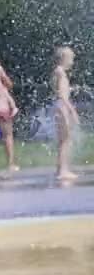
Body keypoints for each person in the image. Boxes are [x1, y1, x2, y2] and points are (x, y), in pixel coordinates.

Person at [52, 46, 79, 180]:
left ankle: (60, 169)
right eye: (71, 59)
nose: (72, 62)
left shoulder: (57, 72)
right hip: (63, 107)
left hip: (58, 106)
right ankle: (63, 171)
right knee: (66, 140)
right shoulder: (61, 72)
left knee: (62, 140)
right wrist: (72, 110)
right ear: (64, 58)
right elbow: (62, 96)